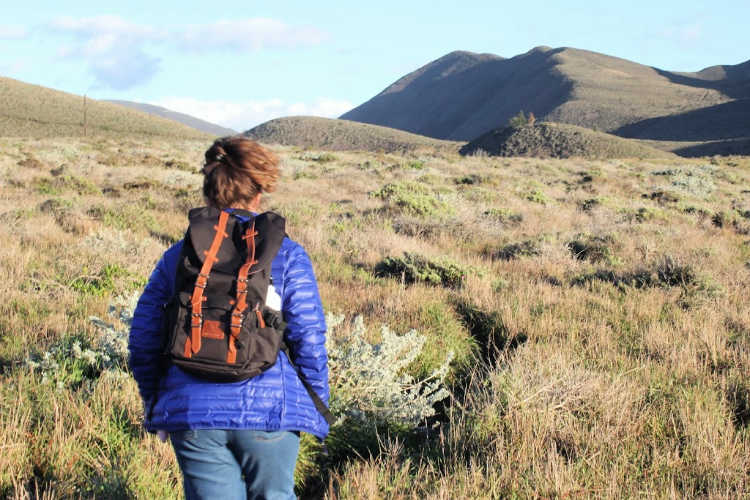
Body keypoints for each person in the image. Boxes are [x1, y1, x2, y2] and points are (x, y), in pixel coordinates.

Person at [128, 136, 330, 500]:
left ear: (208, 191)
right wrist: (316, 405)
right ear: (258, 192)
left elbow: (143, 335)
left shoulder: (179, 255)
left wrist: (153, 400)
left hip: (192, 412)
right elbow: (308, 337)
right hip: (271, 414)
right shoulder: (288, 255)